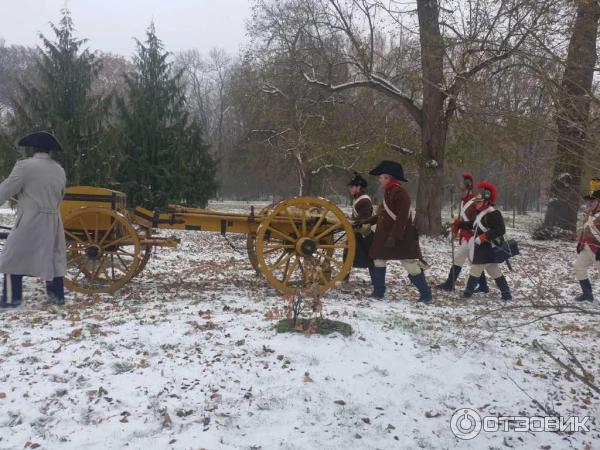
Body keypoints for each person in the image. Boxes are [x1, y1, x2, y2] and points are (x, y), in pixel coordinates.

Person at [0, 131, 67, 307]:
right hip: (53, 220)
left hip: (30, 220)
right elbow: (61, 196)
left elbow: (6, 189)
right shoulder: (59, 169)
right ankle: (56, 297)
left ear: (33, 149)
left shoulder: (25, 166)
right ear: (50, 150)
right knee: (53, 258)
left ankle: (11, 299)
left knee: (12, 258)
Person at [366, 160, 432, 303]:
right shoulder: (389, 191)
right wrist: (368, 220)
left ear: (388, 177)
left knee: (409, 264)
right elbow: (383, 213)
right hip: (386, 235)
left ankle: (426, 294)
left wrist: (394, 236)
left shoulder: (400, 193)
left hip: (400, 236)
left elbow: (402, 218)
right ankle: (379, 291)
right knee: (378, 259)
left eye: (381, 177)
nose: (379, 179)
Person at [459, 182, 512, 300]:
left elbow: (500, 230)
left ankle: (467, 294)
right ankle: (506, 294)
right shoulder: (480, 213)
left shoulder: (493, 213)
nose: (476, 204)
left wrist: (484, 237)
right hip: (482, 247)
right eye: (476, 202)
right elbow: (473, 225)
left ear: (486, 202)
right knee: (494, 270)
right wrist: (459, 224)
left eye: (479, 202)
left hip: (487, 246)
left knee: (475, 269)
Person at [437, 172, 488, 292]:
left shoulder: (475, 200)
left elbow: (479, 219)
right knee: (473, 261)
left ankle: (450, 285)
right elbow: (460, 219)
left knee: (461, 258)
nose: (460, 184)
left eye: (462, 182)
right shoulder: (462, 201)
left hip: (472, 236)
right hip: (465, 235)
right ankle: (483, 286)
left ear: (468, 184)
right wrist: (454, 231)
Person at [345, 172, 374, 280]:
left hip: (365, 233)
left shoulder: (364, 200)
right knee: (348, 252)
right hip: (358, 231)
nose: (350, 189)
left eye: (352, 187)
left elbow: (365, 218)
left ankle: (377, 281)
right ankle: (344, 275)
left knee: (372, 258)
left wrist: (351, 222)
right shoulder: (359, 198)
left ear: (358, 187)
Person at [573, 188, 600, 302]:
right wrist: (580, 243)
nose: (589, 203)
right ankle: (587, 294)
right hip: (587, 247)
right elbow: (584, 229)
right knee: (578, 266)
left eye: (592, 201)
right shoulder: (589, 213)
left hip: (598, 249)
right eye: (588, 201)